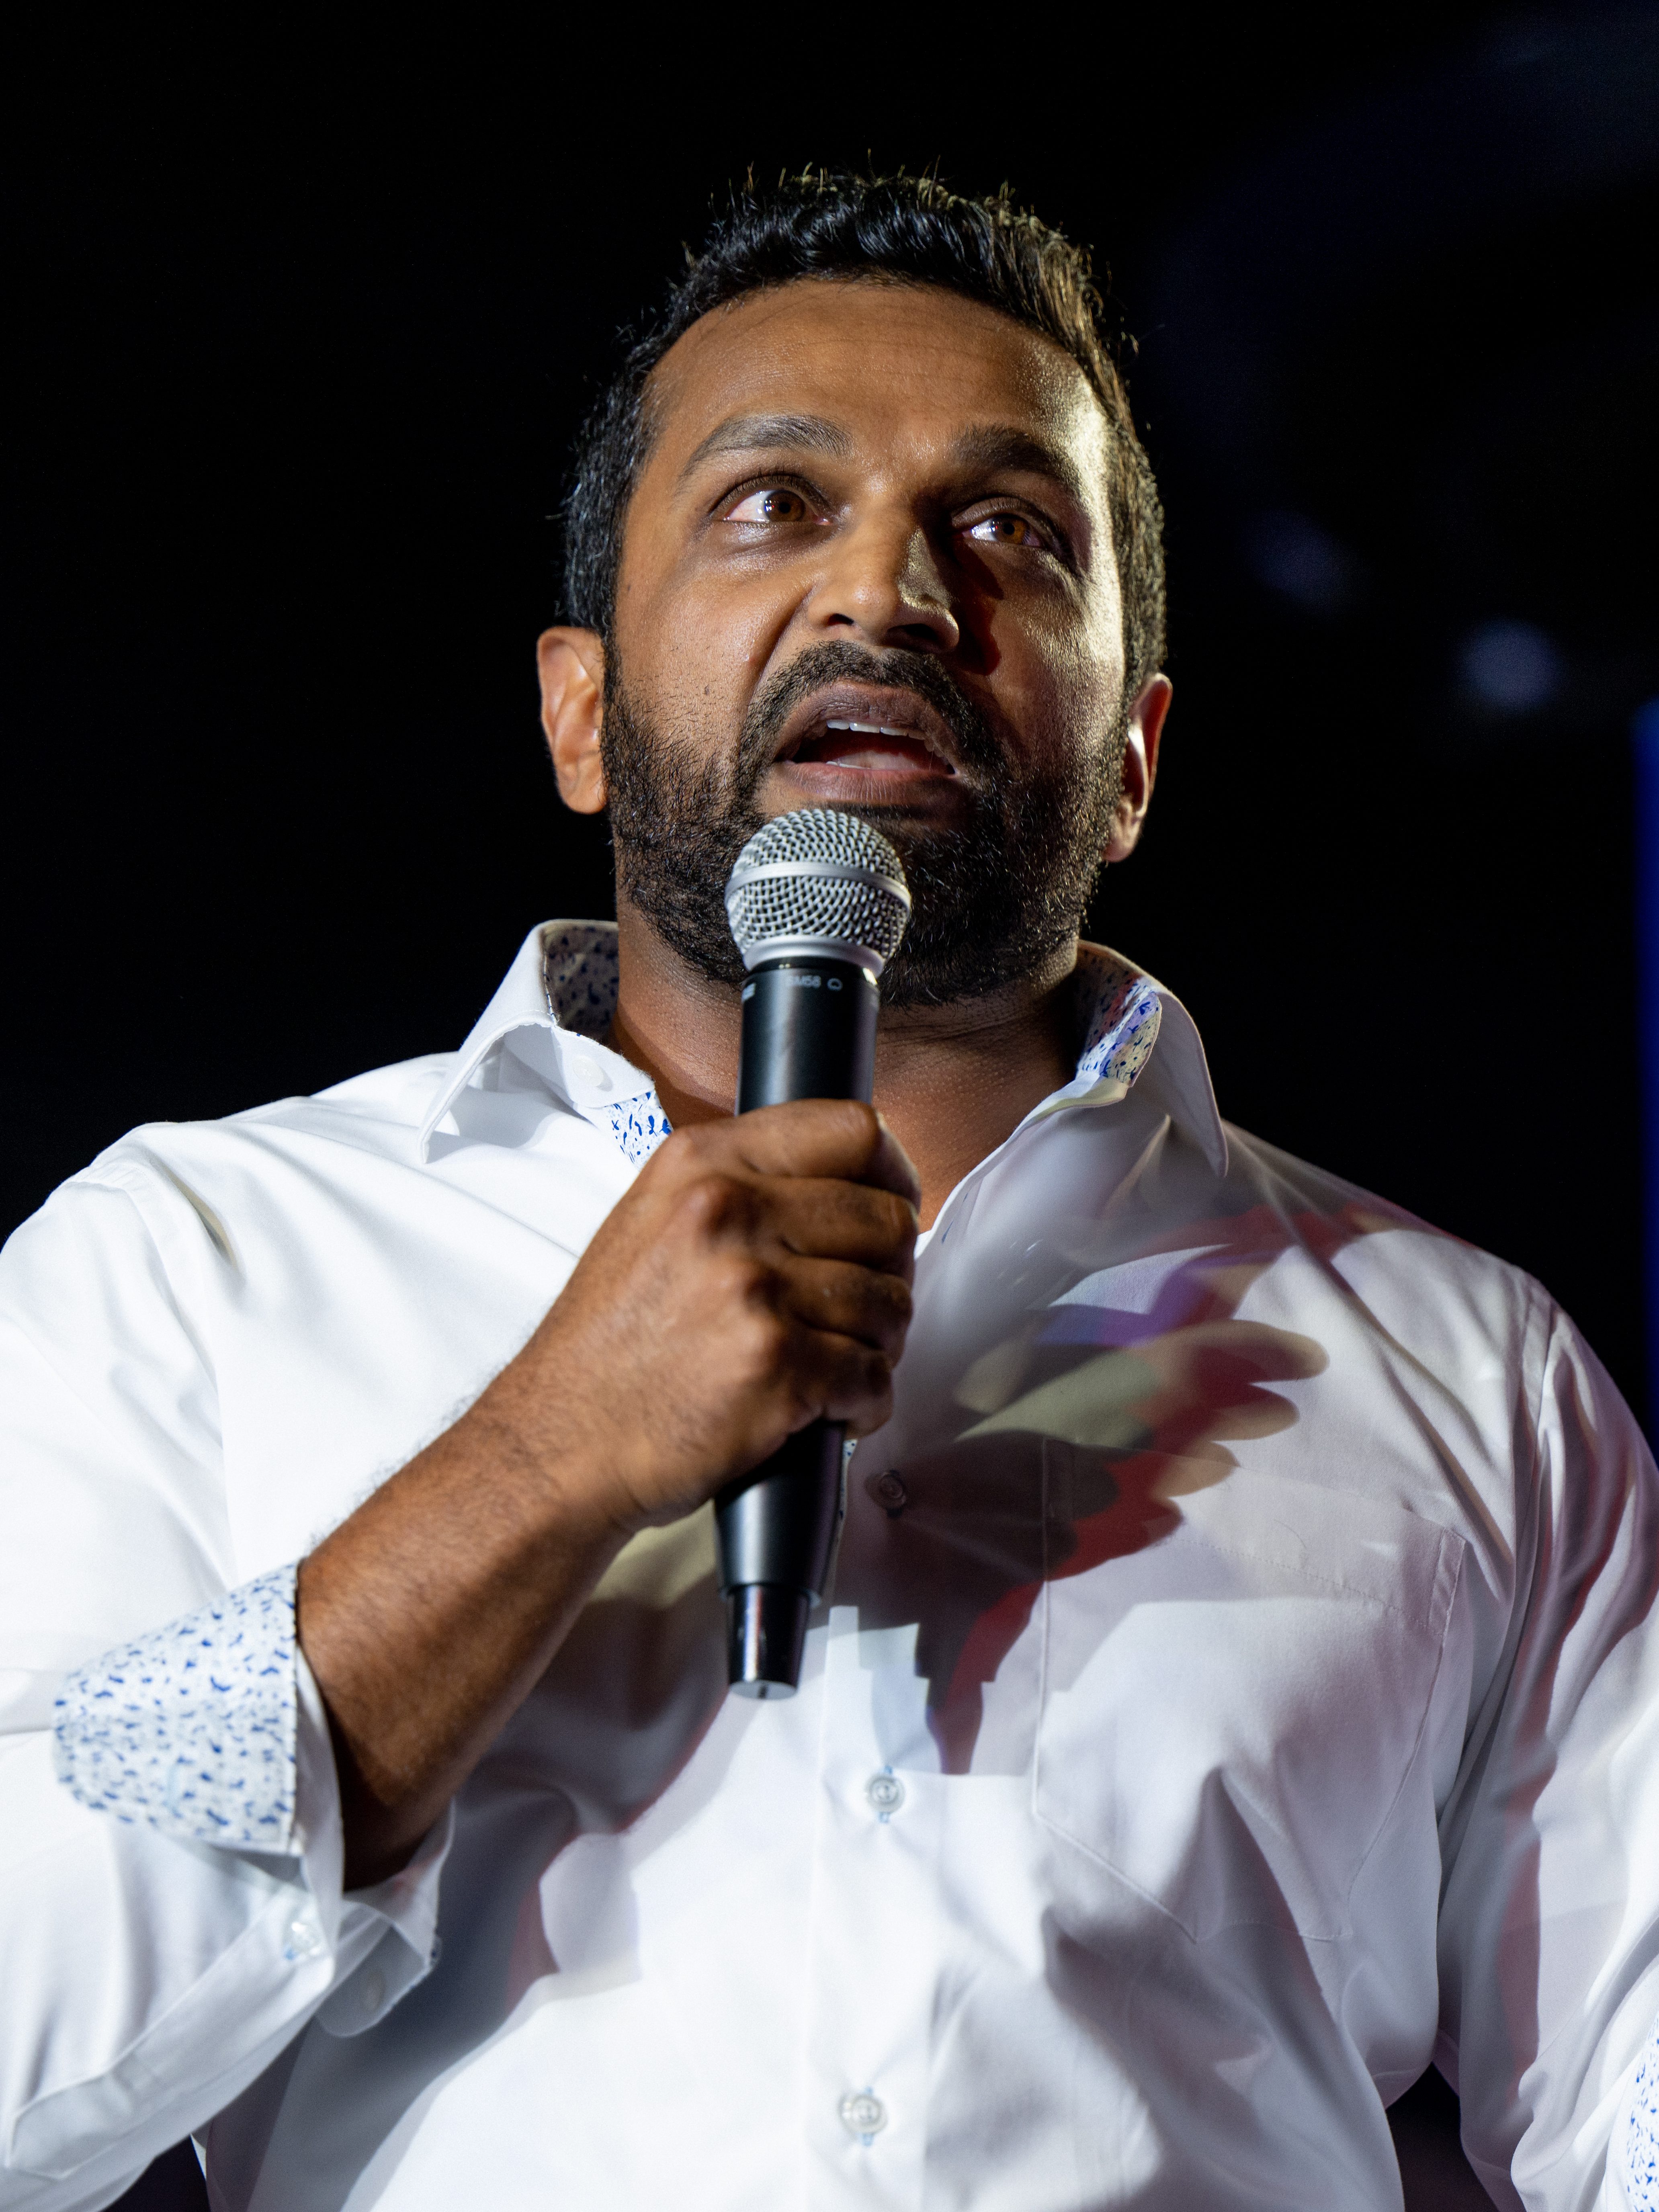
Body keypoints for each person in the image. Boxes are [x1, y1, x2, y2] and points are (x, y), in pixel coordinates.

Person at [2, 170, 1655, 2212]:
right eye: (775, 502)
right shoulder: (193, 1265)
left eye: (1009, 532)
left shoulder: (1466, 1372)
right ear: (581, 710)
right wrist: (543, 1460)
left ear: (1134, 758)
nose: (890, 592)